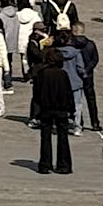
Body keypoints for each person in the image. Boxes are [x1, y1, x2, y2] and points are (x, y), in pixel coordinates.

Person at [32, 44, 75, 174]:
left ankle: (45, 164)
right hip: (61, 109)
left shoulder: (42, 74)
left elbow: (37, 93)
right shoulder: (63, 74)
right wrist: (71, 110)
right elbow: (68, 93)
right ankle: (64, 164)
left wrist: (37, 110)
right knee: (63, 137)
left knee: (45, 137)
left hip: (46, 109)